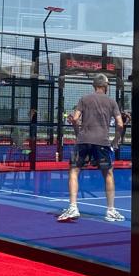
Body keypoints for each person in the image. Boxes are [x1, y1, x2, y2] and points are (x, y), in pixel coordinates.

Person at [57, 73, 126, 223]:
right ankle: (110, 210)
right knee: (108, 174)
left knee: (74, 171)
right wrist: (115, 141)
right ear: (106, 86)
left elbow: (75, 119)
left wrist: (78, 134)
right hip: (102, 142)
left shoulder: (84, 99)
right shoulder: (112, 102)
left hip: (83, 141)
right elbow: (120, 124)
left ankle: (73, 207)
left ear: (94, 85)